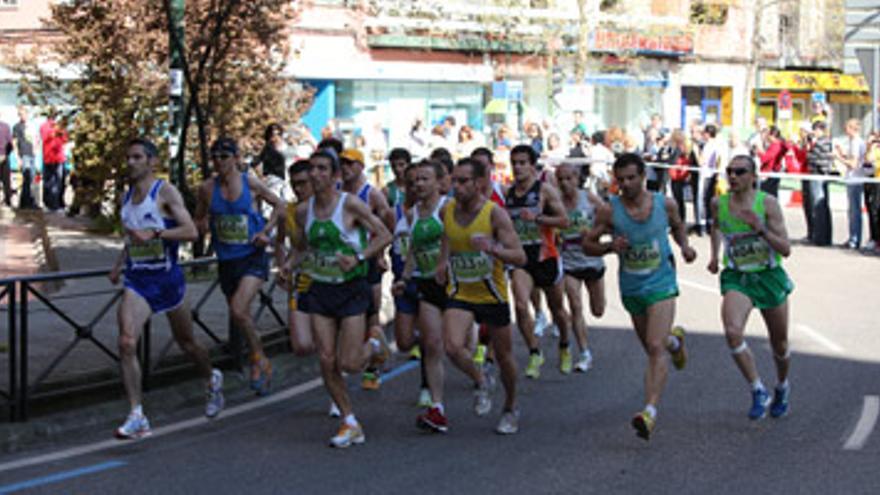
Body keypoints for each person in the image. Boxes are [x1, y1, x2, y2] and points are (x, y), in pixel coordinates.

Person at [109, 138, 224, 439]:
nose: (130, 162)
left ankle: (211, 378)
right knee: (126, 342)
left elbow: (191, 231)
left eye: (137, 157)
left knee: (187, 343)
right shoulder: (125, 198)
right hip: (137, 280)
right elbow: (132, 237)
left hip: (167, 280)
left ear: (151, 162)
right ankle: (137, 415)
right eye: (128, 157)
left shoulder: (165, 192)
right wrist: (120, 262)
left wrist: (158, 232)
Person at [583, 153, 696, 441]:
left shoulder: (664, 204)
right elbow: (587, 244)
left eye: (631, 178)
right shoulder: (611, 211)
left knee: (655, 346)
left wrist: (684, 246)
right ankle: (676, 341)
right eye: (620, 179)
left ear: (643, 176)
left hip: (661, 282)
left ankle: (649, 412)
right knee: (653, 345)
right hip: (632, 286)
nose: (626, 184)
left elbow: (679, 225)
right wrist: (610, 247)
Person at [291, 148, 392, 447]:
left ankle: (374, 343)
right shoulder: (301, 211)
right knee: (326, 358)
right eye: (313, 168)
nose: (316, 174)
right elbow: (301, 248)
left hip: (350, 289)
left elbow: (385, 234)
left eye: (323, 169)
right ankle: (349, 420)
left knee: (349, 363)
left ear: (336, 176)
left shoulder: (351, 205)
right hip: (320, 289)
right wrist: (288, 266)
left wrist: (359, 256)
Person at [436, 157, 526, 434]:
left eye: (463, 181)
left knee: (504, 357)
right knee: (451, 346)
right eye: (454, 180)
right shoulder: (447, 210)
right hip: (461, 291)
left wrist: (493, 248)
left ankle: (511, 406)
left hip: (491, 293)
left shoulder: (494, 214)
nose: (456, 186)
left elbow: (520, 256)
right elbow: (448, 238)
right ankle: (481, 378)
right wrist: (442, 262)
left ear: (478, 183)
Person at [707, 155, 794, 420]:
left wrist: (760, 229)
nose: (733, 176)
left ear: (753, 176)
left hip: (768, 276)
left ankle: (782, 385)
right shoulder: (718, 203)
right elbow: (716, 227)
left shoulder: (766, 204)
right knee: (733, 332)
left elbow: (786, 249)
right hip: (738, 277)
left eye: (740, 172)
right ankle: (757, 389)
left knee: (779, 344)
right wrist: (713, 256)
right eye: (729, 171)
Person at [195, 137, 283, 396]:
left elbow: (279, 205)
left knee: (238, 308)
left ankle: (259, 359)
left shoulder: (250, 182)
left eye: (224, 156)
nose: (219, 162)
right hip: (227, 260)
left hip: (253, 255)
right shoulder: (206, 188)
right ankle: (258, 356)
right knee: (240, 315)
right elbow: (199, 218)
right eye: (215, 157)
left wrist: (266, 231)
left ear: (236, 158)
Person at [504, 144, 573, 378]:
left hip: (546, 255)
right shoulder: (508, 193)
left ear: (532, 165)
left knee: (557, 310)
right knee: (521, 305)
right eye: (514, 163)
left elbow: (564, 221)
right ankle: (535, 352)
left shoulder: (544, 190)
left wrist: (539, 218)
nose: (518, 167)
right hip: (522, 257)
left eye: (523, 163)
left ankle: (565, 345)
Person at [394, 160, 450, 430]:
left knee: (456, 346)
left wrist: (446, 262)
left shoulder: (448, 208)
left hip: (454, 285)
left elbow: (460, 240)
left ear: (439, 182)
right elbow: (413, 252)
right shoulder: (411, 213)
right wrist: (404, 279)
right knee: (432, 344)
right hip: (427, 284)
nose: (418, 184)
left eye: (424, 179)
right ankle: (436, 407)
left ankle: (481, 373)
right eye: (414, 181)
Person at [339, 148, 395, 390]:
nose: (345, 168)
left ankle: (372, 367)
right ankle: (360, 351)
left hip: (368, 257)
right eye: (342, 164)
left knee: (371, 307)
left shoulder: (371, 194)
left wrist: (381, 253)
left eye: (350, 164)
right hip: (344, 259)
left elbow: (388, 220)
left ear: (361, 166)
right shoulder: (338, 193)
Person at [556, 162, 606, 372]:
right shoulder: (555, 203)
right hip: (569, 261)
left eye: (569, 178)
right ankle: (585, 353)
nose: (565, 183)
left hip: (592, 259)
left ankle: (584, 344)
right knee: (575, 305)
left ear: (577, 179)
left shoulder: (589, 198)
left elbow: (607, 216)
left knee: (598, 310)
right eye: (561, 179)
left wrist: (594, 233)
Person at [277, 159, 316, 357]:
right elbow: (282, 243)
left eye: (303, 183)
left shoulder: (330, 207)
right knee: (302, 346)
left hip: (330, 279)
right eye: (294, 184)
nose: (298, 189)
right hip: (301, 279)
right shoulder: (288, 211)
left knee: (334, 352)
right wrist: (283, 267)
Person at [835, 119, 867, 249]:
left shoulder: (856, 142)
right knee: (853, 210)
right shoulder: (856, 142)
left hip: (855, 179)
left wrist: (839, 158)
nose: (845, 130)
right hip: (853, 178)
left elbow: (853, 164)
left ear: (852, 129)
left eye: (847, 128)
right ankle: (853, 237)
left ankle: (854, 239)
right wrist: (842, 153)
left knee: (854, 211)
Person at [806, 121, 834, 246]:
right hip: (820, 174)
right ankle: (822, 236)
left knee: (819, 206)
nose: (814, 133)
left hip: (819, 174)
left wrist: (810, 148)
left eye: (815, 130)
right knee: (821, 206)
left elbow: (812, 157)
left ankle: (821, 237)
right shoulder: (825, 142)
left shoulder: (822, 142)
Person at [40, 110, 68, 212]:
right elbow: (45, 137)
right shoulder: (45, 126)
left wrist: (60, 132)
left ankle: (57, 204)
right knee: (49, 183)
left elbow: (65, 139)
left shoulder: (59, 126)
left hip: (59, 158)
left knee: (59, 182)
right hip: (49, 158)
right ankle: (49, 205)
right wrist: (55, 131)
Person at [12, 106, 38, 209]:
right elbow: (14, 142)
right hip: (24, 154)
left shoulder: (31, 126)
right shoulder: (17, 127)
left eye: (25, 114)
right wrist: (17, 157)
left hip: (32, 154)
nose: (23, 116)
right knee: (26, 178)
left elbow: (36, 138)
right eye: (21, 114)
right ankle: (24, 202)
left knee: (32, 178)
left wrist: (36, 149)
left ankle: (29, 200)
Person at [0, 117, 12, 207]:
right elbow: (10, 144)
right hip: (4, 156)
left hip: (4, 156)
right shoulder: (6, 126)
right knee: (6, 180)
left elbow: (10, 143)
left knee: (6, 180)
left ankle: (8, 200)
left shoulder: (6, 126)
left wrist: (5, 154)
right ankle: (8, 201)